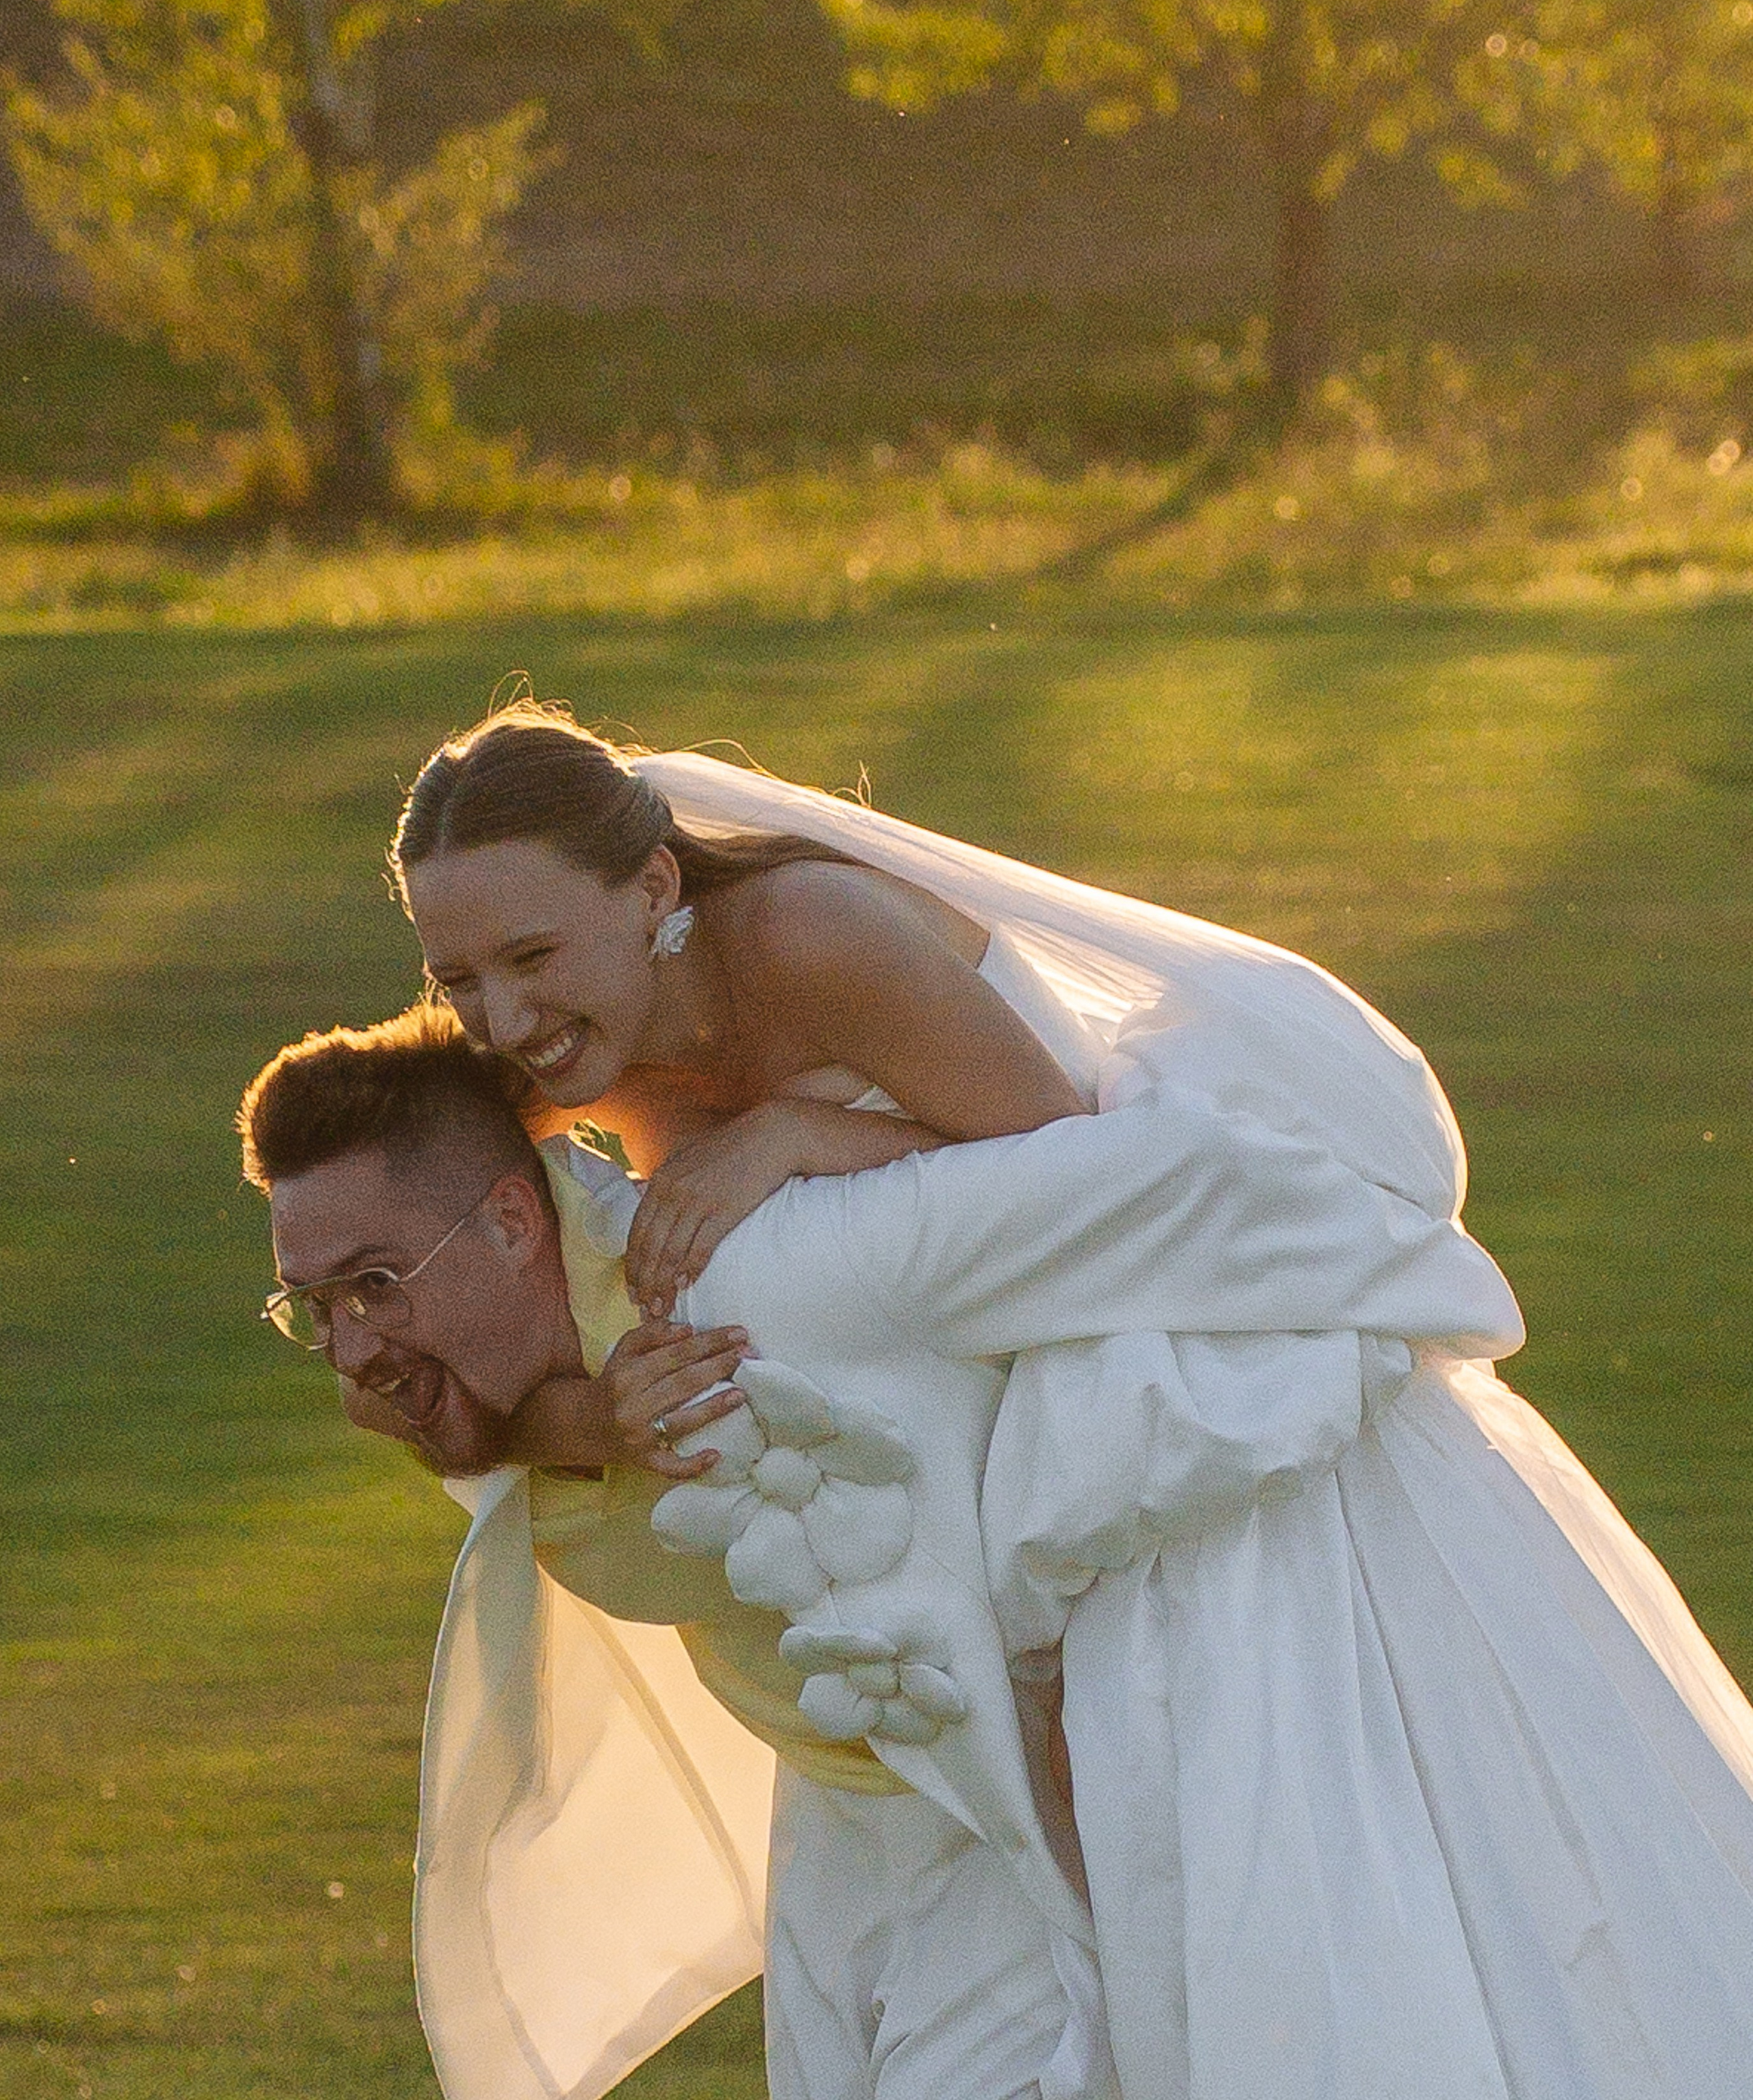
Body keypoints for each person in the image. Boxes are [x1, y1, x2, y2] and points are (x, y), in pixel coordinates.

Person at [247, 707, 1753, 2100]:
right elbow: (466, 1299)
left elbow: (1052, 1158)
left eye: (529, 954)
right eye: (458, 978)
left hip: (1130, 1354)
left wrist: (797, 1135)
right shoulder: (557, 1053)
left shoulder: (810, 935)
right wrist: (575, 1421)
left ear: (651, 890)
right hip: (950, 1413)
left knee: (1306, 1914)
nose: (502, 1015)